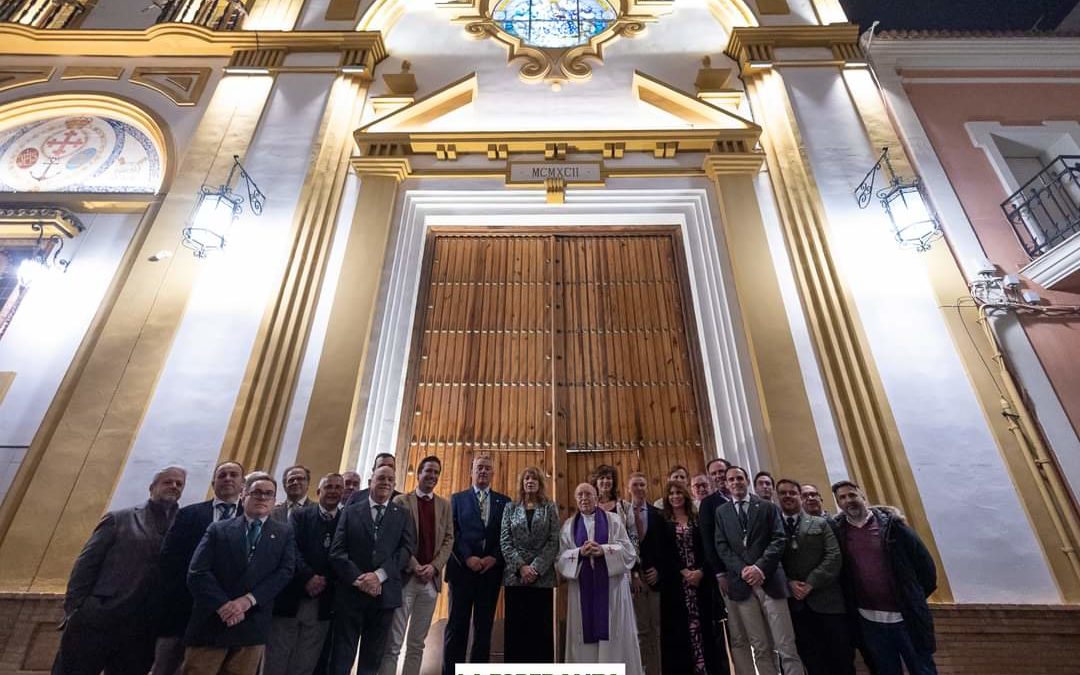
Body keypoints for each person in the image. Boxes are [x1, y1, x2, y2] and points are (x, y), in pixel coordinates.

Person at [53, 466, 186, 675]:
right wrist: (76, 609)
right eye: (168, 481)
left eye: (179, 484)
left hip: (143, 628)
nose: (174, 486)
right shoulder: (119, 518)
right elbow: (86, 565)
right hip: (98, 618)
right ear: (152, 487)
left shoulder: (185, 524)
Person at [182, 472, 296, 675]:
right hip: (212, 621)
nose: (262, 498)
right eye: (257, 492)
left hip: (252, 624)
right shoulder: (218, 529)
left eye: (268, 494)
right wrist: (224, 606)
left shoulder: (284, 533)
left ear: (274, 500)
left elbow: (284, 572)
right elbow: (197, 572)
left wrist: (247, 601)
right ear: (244, 495)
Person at [831, 480, 938, 675]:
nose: (849, 501)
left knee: (922, 669)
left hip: (905, 616)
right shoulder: (838, 532)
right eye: (843, 498)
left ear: (862, 496)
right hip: (869, 620)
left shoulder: (892, 525)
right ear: (838, 503)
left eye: (852, 495)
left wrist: (913, 596)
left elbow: (925, 566)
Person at [154, 461, 245, 675]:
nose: (228, 478)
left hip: (226, 615)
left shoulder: (251, 519)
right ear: (213, 482)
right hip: (182, 609)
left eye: (234, 475)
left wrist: (222, 601)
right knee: (166, 667)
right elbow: (170, 559)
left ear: (243, 485)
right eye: (222, 475)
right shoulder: (189, 514)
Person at [714, 466, 806, 675]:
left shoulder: (766, 506)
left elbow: (778, 539)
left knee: (786, 645)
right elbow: (721, 546)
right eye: (731, 479)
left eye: (739, 478)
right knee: (761, 647)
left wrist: (759, 567)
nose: (735, 482)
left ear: (746, 480)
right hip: (743, 586)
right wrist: (744, 570)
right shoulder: (722, 512)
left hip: (770, 581)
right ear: (726, 484)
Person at [329, 465, 416, 675]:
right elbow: (337, 551)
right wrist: (360, 579)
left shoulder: (403, 514)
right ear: (370, 483)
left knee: (372, 658)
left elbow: (406, 549)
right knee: (341, 656)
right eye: (381, 478)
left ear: (394, 485)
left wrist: (379, 576)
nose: (385, 482)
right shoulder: (350, 512)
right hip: (351, 595)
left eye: (390, 479)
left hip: (384, 595)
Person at [556, 483, 643, 675]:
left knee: (613, 636)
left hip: (611, 590)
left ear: (597, 498)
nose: (584, 498)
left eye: (588, 494)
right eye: (579, 495)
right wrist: (579, 552)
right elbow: (561, 559)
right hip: (582, 592)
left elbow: (629, 552)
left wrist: (603, 550)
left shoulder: (613, 520)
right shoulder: (569, 526)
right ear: (575, 499)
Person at [379, 457, 454, 675]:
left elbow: (449, 539)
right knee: (393, 643)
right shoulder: (401, 501)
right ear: (419, 473)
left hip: (430, 582)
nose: (432, 476)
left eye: (436, 472)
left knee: (417, 644)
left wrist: (434, 567)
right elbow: (395, 538)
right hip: (405, 578)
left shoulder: (444, 505)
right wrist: (414, 564)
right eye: (428, 471)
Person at [265, 473, 344, 675]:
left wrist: (324, 581)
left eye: (338, 487)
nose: (334, 491)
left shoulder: (347, 520)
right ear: (318, 492)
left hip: (323, 602)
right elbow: (290, 548)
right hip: (292, 596)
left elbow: (344, 554)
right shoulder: (300, 516)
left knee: (305, 664)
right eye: (329, 487)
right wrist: (308, 576)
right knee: (276, 659)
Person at [776, 479, 853, 675]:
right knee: (813, 660)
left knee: (841, 658)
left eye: (793, 493)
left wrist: (811, 583)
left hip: (828, 602)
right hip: (797, 606)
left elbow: (834, 555)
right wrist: (788, 583)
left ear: (799, 497)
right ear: (777, 498)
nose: (788, 496)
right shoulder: (773, 528)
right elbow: (772, 562)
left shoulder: (821, 523)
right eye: (783, 493)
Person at [442, 455, 509, 674]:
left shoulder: (504, 501)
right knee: (456, 627)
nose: (483, 471)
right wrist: (467, 557)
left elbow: (506, 536)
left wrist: (494, 558)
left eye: (487, 468)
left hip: (489, 574)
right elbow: (452, 533)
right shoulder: (457, 499)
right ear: (471, 471)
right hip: (462, 572)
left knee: (483, 630)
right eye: (479, 467)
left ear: (493, 473)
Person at [659, 480, 721, 675]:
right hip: (678, 585)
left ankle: (706, 668)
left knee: (704, 627)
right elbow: (664, 552)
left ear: (685, 495)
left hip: (700, 581)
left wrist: (701, 571)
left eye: (679, 492)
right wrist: (683, 572)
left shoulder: (697, 518)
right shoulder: (664, 522)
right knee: (681, 630)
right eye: (671, 493)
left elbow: (708, 548)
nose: (675, 496)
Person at [499, 466, 560, 663]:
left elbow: (554, 540)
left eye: (534, 479)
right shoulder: (510, 507)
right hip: (515, 576)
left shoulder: (550, 507)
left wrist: (535, 568)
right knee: (516, 630)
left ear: (540, 483)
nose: (530, 482)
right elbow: (505, 540)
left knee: (540, 629)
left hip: (541, 577)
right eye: (527, 479)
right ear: (522, 483)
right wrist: (521, 567)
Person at [697, 458, 737, 674]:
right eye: (714, 474)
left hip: (755, 571)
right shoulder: (709, 503)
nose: (719, 476)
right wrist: (719, 573)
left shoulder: (746, 498)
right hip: (727, 573)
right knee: (735, 630)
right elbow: (708, 540)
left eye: (721, 471)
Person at [627, 472, 663, 675]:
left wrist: (658, 570)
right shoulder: (622, 514)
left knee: (657, 629)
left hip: (654, 578)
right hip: (634, 581)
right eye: (635, 485)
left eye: (642, 484)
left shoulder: (657, 514)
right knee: (641, 631)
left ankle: (657, 670)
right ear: (628, 488)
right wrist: (634, 574)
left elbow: (664, 548)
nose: (639, 488)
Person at [592, 464, 638, 552]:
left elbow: (633, 533)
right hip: (596, 556)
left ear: (613, 482)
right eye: (601, 478)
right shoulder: (590, 508)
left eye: (609, 478)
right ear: (596, 482)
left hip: (620, 556)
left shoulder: (625, 506)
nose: (605, 481)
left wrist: (633, 554)